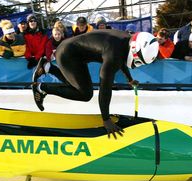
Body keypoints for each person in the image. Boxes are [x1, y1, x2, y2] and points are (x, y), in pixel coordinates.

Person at [31, 30, 159, 138]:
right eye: (138, 61)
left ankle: (47, 67)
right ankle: (41, 88)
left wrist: (129, 79)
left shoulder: (126, 39)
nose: (137, 66)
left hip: (70, 50)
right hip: (67, 54)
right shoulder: (113, 55)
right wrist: (106, 119)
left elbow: (123, 58)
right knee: (85, 94)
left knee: (77, 86)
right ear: (135, 50)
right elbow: (105, 87)